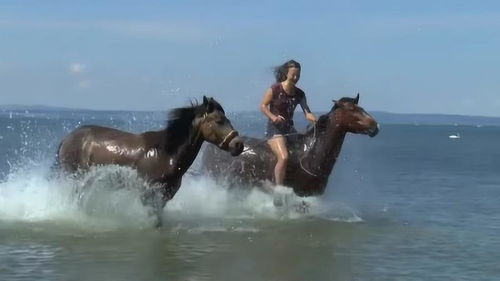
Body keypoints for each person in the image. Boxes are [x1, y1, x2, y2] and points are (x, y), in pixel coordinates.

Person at [260, 60, 317, 188]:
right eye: (293, 75)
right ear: (286, 73)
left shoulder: (300, 94)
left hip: (290, 130)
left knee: (305, 153)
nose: (296, 78)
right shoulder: (275, 89)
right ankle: (278, 190)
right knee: (284, 157)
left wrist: (314, 118)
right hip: (274, 130)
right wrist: (273, 117)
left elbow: (306, 112)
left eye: (298, 75)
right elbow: (263, 106)